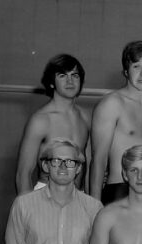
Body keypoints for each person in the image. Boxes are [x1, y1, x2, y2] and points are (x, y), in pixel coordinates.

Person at [91, 41, 142, 204]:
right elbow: (98, 159)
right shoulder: (112, 104)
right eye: (136, 67)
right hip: (118, 189)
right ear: (126, 72)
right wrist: (94, 205)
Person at [16, 54, 90, 195]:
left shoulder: (86, 117)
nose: (70, 81)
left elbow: (90, 163)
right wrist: (24, 210)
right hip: (45, 194)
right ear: (51, 82)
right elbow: (23, 173)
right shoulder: (41, 120)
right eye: (62, 75)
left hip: (77, 196)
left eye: (75, 75)